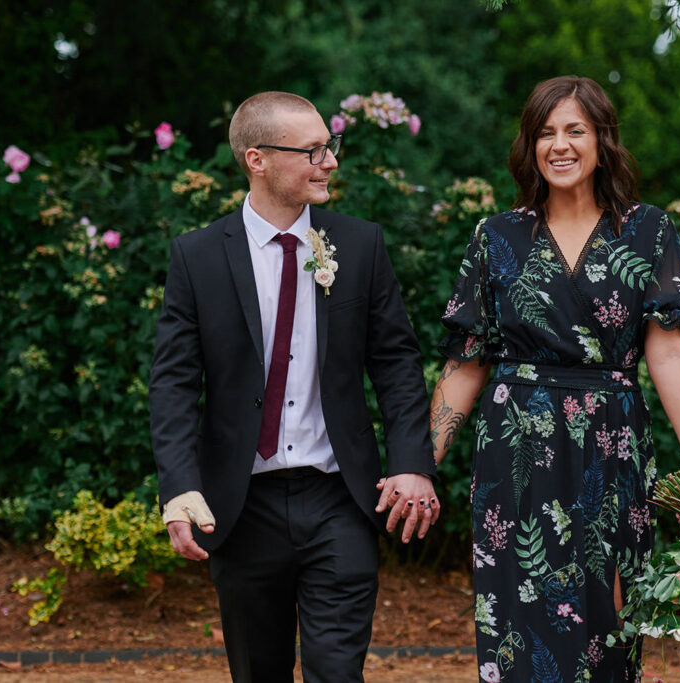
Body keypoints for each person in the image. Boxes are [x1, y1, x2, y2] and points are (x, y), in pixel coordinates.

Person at [430, 76, 680, 681]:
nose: (558, 146)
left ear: (601, 141)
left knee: (609, 620)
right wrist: (421, 463)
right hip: (516, 448)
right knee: (519, 620)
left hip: (611, 444)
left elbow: (667, 352)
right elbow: (467, 361)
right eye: (545, 133)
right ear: (530, 146)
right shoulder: (496, 236)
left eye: (574, 131)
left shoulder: (646, 230)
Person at [148, 91, 439, 683]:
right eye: (311, 151)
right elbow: (174, 383)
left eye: (329, 146)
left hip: (340, 496)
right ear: (257, 159)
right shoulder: (197, 256)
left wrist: (414, 463)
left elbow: (397, 364)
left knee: (337, 672)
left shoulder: (360, 245)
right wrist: (179, 489)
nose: (329, 161)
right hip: (241, 503)